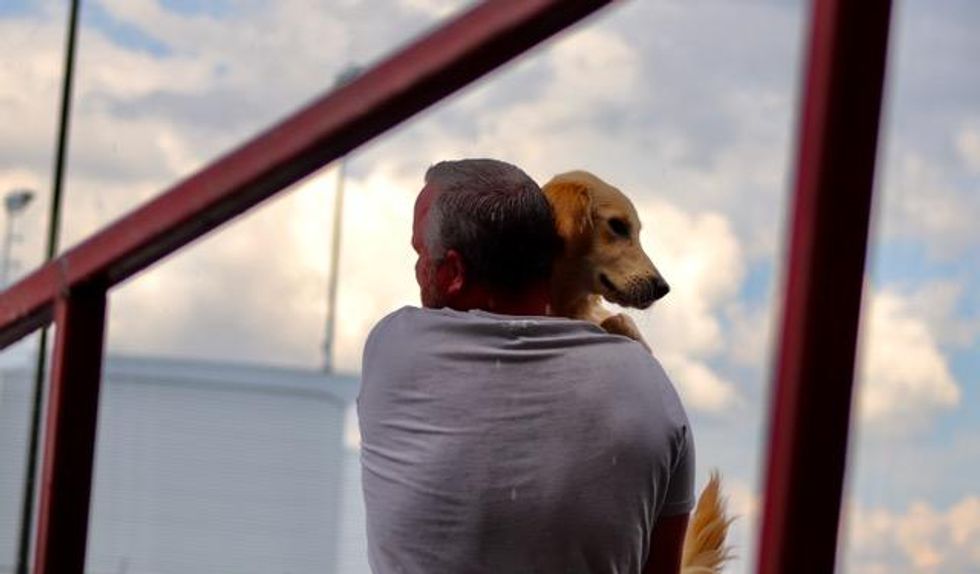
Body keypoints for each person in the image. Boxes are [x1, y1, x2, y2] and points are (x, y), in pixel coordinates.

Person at [358, 159, 695, 573]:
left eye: (420, 254)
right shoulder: (648, 383)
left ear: (454, 272)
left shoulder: (395, 347)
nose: (416, 267)